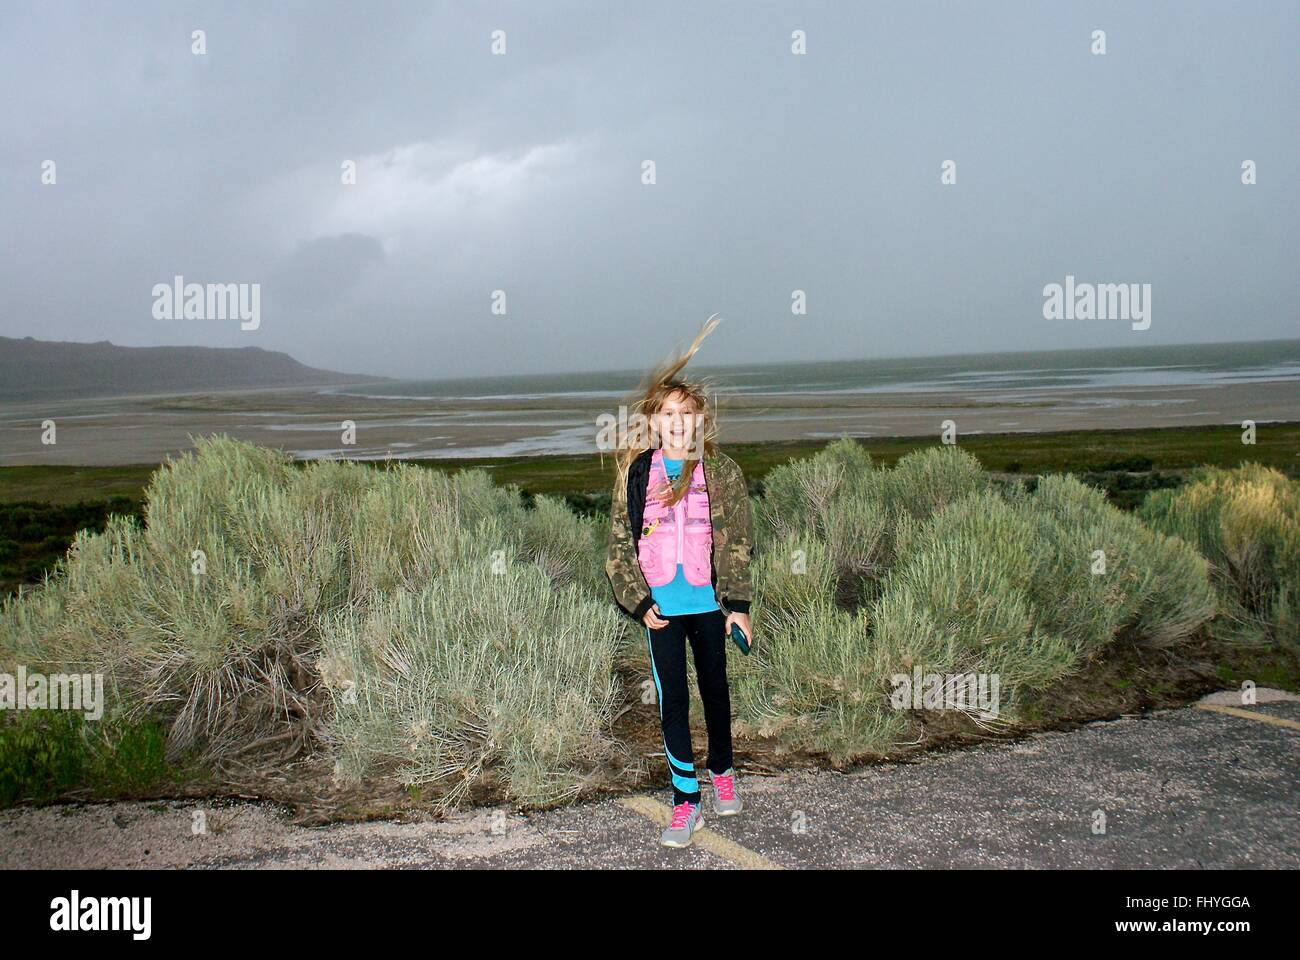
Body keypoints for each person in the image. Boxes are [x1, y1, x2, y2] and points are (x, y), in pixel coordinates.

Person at [604, 316, 755, 848]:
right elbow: (619, 547)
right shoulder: (637, 474)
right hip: (660, 609)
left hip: (708, 606)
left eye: (687, 415)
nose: (677, 423)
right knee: (673, 701)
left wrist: (737, 605)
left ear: (700, 421)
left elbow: (737, 541)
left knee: (715, 691)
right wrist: (637, 601)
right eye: (668, 414)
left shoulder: (722, 472)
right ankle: (686, 801)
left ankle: (722, 770)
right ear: (654, 421)